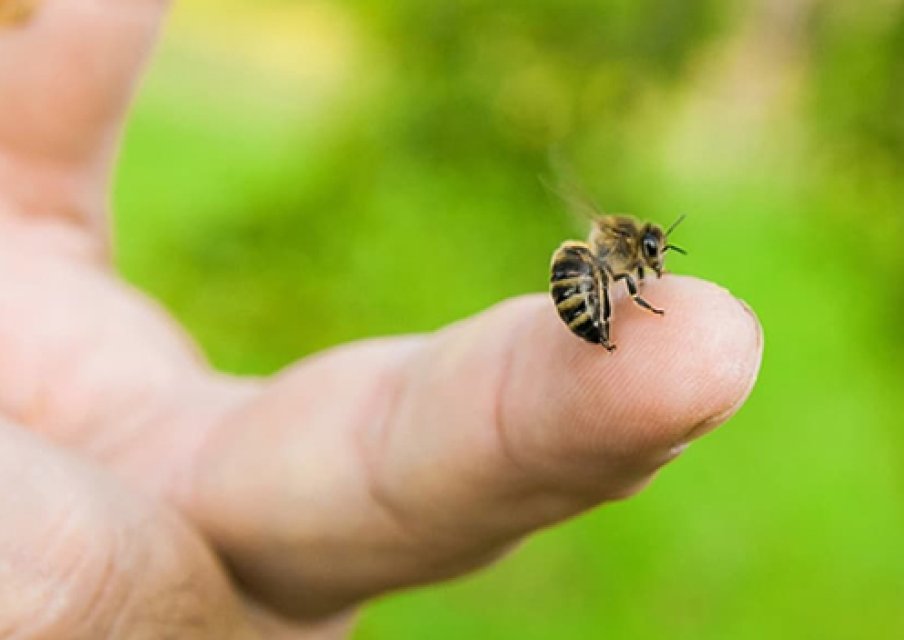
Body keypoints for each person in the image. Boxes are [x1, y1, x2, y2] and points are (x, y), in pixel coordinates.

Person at [0, 2, 763, 636]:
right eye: (653, 256)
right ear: (638, 248)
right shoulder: (616, 253)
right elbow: (608, 265)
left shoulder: (620, 253)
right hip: (584, 285)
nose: (657, 261)